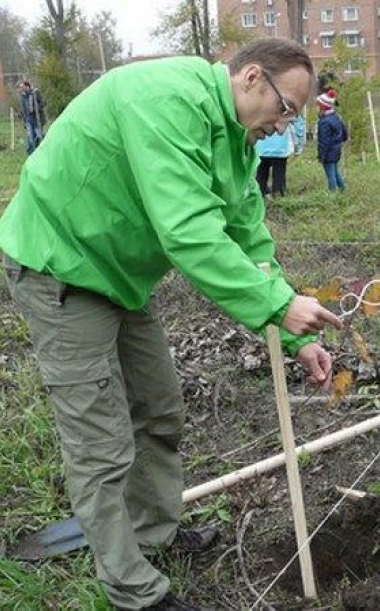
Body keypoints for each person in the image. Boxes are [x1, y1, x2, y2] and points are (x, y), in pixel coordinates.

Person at [0, 39, 343, 611]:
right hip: (59, 263)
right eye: (286, 107)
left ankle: (153, 531)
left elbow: (248, 236)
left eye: (296, 115)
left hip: (118, 274)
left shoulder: (237, 139)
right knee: (99, 440)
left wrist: (297, 335)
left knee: (159, 408)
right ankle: (133, 590)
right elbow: (187, 232)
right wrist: (276, 305)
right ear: (252, 77)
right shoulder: (165, 98)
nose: (286, 123)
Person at [255, 113, 305, 199]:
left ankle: (258, 197)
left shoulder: (259, 101)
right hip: (280, 148)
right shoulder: (288, 105)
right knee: (279, 175)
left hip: (261, 147)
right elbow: (298, 125)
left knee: (261, 175)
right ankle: (278, 197)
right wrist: (298, 147)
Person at [316, 89, 348, 191]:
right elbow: (344, 132)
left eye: (318, 105)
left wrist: (322, 156)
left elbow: (324, 141)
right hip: (336, 150)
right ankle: (343, 189)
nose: (316, 107)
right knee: (335, 172)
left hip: (328, 153)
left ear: (322, 107)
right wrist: (339, 142)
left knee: (330, 175)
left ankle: (332, 195)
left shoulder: (324, 122)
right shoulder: (335, 117)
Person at [19, 80, 46, 154]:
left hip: (37, 119)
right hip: (28, 120)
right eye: (20, 87)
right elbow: (23, 109)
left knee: (39, 135)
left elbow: (43, 102)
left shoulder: (36, 92)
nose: (21, 89)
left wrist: (35, 108)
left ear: (27, 86)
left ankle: (42, 150)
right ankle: (32, 153)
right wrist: (24, 120)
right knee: (30, 137)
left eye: (23, 87)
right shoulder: (22, 96)